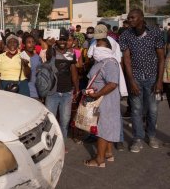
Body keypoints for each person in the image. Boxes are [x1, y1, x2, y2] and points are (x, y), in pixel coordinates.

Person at [120, 9, 165, 153]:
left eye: (132, 17)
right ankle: (137, 138)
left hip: (152, 78)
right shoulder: (125, 35)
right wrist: (131, 81)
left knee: (152, 110)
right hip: (136, 78)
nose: (130, 20)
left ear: (141, 18)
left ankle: (151, 135)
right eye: (128, 18)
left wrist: (159, 81)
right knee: (137, 109)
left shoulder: (155, 33)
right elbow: (126, 60)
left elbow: (161, 58)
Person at [84, 37, 121, 168]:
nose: (95, 48)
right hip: (102, 99)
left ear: (107, 48)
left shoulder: (110, 63)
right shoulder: (101, 62)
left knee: (103, 128)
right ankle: (108, 153)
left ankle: (99, 160)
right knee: (107, 126)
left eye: (99, 45)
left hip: (106, 100)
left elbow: (112, 84)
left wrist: (98, 94)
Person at [45, 28, 79, 140]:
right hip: (52, 93)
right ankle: (51, 143)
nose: (63, 42)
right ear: (56, 41)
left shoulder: (71, 54)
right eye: (60, 40)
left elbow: (74, 73)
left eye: (65, 39)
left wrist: (77, 89)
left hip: (67, 93)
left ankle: (62, 144)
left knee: (64, 121)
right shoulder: (52, 52)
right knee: (50, 121)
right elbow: (49, 57)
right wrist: (49, 45)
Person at [22, 34, 42, 99]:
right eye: (29, 42)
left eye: (33, 42)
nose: (31, 44)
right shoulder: (20, 56)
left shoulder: (38, 57)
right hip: (23, 90)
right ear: (24, 44)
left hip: (35, 90)